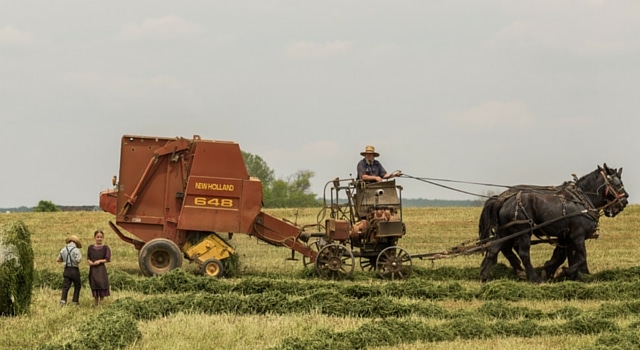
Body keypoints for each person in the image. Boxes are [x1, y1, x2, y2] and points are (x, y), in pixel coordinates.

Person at [87, 229, 111, 305]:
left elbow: (108, 259)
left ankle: (101, 302)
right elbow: (88, 257)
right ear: (94, 237)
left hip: (101, 269)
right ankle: (95, 302)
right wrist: (89, 262)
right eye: (98, 237)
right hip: (93, 269)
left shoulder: (105, 248)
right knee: (94, 284)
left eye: (101, 237)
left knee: (101, 284)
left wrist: (100, 261)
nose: (99, 239)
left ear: (103, 238)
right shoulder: (90, 247)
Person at [57, 235, 82, 306]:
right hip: (74, 269)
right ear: (76, 243)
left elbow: (58, 259)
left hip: (66, 269)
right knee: (77, 285)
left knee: (65, 286)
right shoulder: (76, 250)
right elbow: (78, 260)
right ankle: (75, 301)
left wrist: (65, 260)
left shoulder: (63, 249)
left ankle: (63, 300)